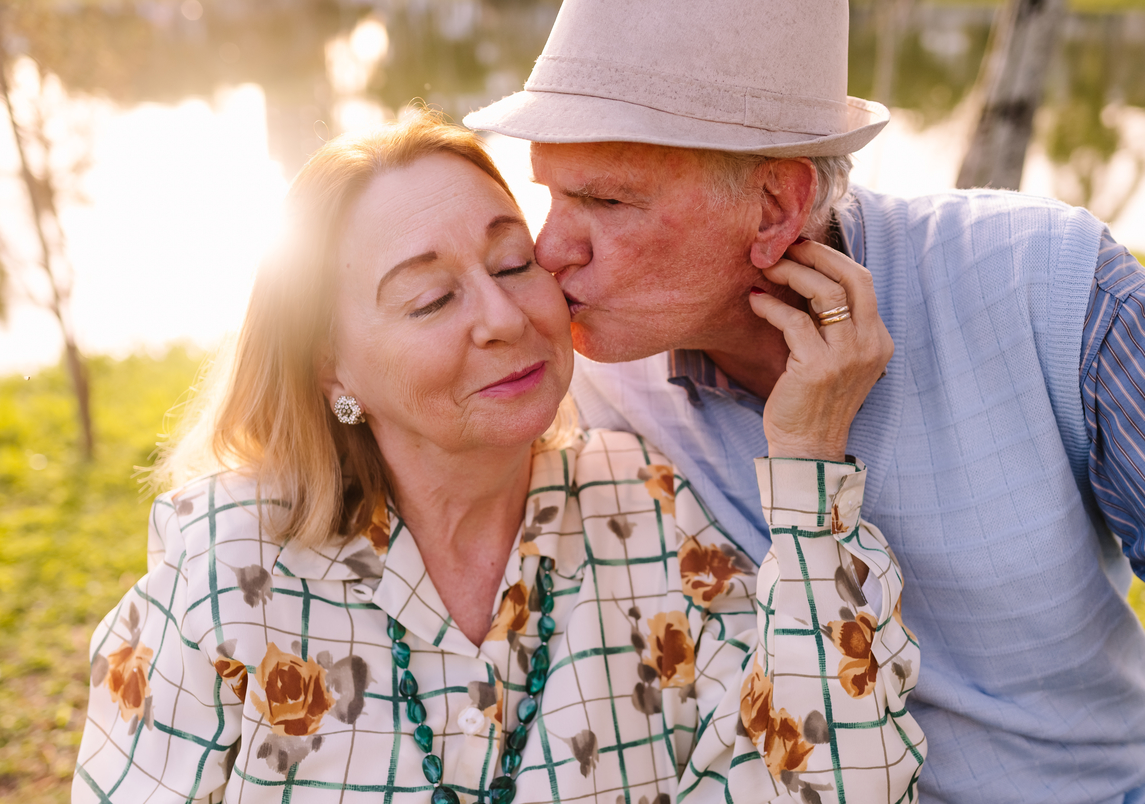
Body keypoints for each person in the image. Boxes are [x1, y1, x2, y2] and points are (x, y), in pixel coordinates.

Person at [72, 112, 922, 804]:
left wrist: (809, 467)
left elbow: (836, 785)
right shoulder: (220, 573)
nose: (505, 317)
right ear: (331, 364)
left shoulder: (655, 518)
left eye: (515, 263)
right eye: (431, 298)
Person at [462, 0, 1145, 802]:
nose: (550, 250)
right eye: (551, 194)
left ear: (775, 207)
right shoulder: (585, 388)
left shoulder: (1053, 288)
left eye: (607, 202)